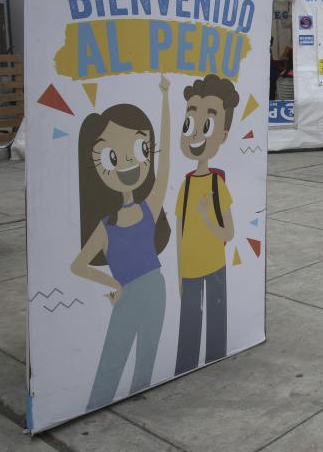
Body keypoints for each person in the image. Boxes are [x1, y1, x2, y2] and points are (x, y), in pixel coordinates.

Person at [71, 77, 171, 410]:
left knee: (146, 362)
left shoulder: (148, 208)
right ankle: (93, 404)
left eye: (140, 150)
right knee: (111, 362)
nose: (129, 163)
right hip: (128, 292)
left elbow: (166, 159)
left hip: (155, 287)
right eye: (112, 157)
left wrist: (166, 99)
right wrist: (112, 281)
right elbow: (78, 265)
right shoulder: (105, 226)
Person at [175, 74, 240, 375]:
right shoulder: (185, 185)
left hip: (214, 265)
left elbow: (229, 232)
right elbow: (179, 231)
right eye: (189, 125)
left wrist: (205, 218)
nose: (195, 134)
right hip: (188, 268)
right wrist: (177, 273)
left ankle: (215, 359)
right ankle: (184, 366)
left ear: (223, 135)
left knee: (217, 323)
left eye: (207, 126)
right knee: (187, 326)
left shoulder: (217, 184)